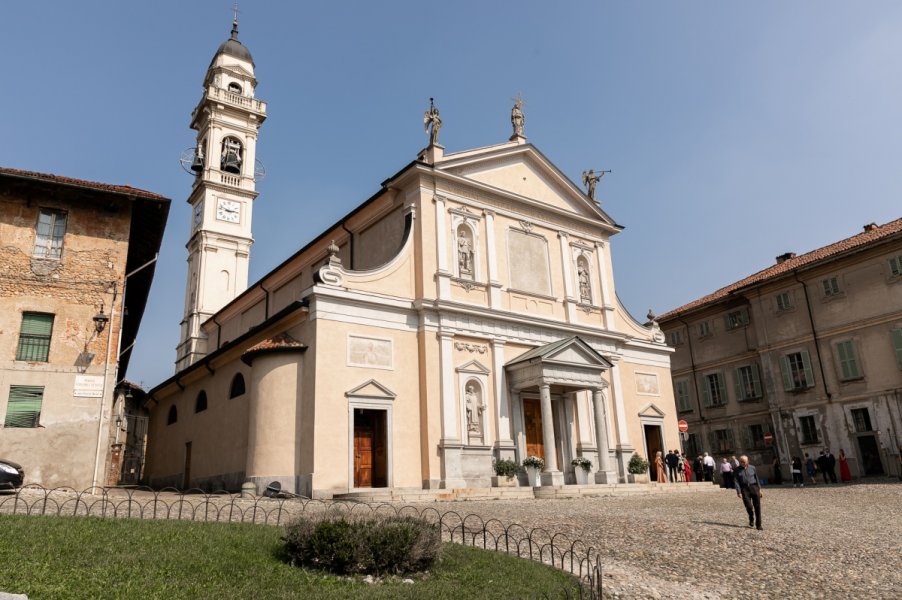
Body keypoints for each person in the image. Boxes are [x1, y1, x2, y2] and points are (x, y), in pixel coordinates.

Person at [734, 455, 764, 530]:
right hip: (744, 489)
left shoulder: (752, 468)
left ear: (747, 461)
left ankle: (758, 525)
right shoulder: (737, 470)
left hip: (754, 487)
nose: (742, 463)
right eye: (741, 461)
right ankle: (751, 517)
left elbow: (756, 478)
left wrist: (759, 489)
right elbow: (736, 481)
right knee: (749, 506)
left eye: (744, 461)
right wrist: (738, 491)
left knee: (757, 507)